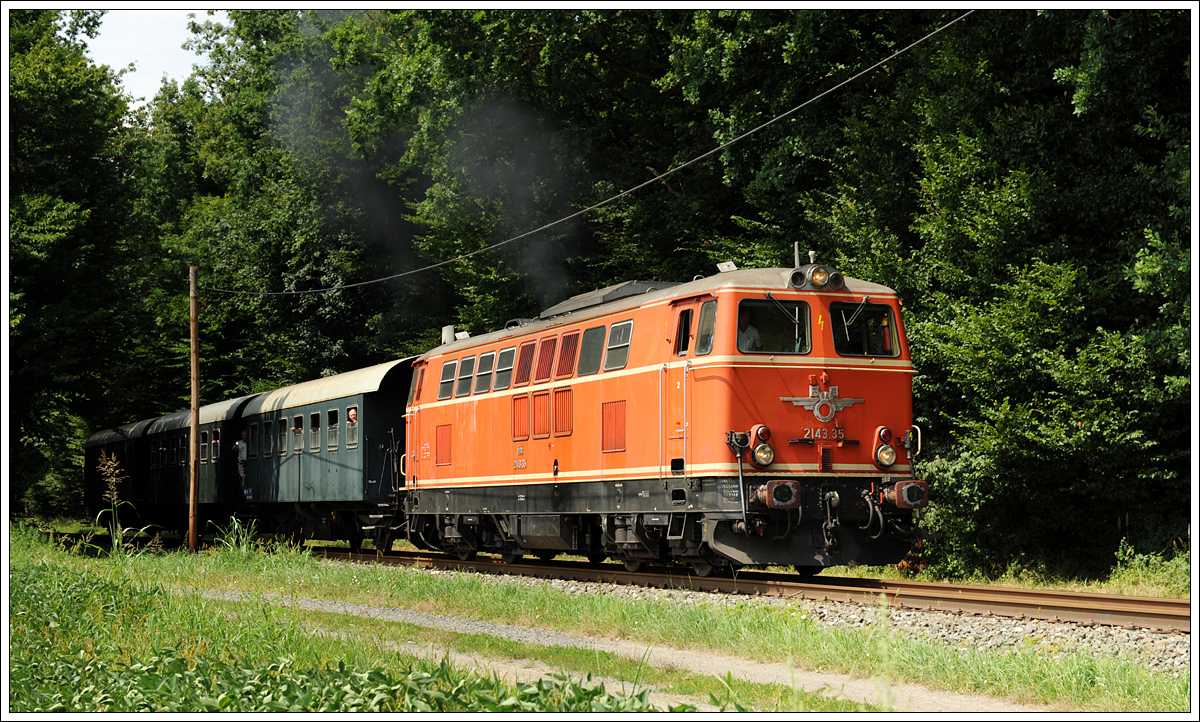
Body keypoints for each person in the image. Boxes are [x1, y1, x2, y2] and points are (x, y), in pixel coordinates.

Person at [234, 430, 249, 500]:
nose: (244, 437)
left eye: (245, 435)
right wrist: (235, 446)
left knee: (248, 478)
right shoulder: (239, 443)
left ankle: (247, 492)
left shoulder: (249, 442)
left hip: (248, 462)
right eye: (243, 435)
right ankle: (244, 492)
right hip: (241, 462)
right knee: (244, 477)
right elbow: (233, 449)